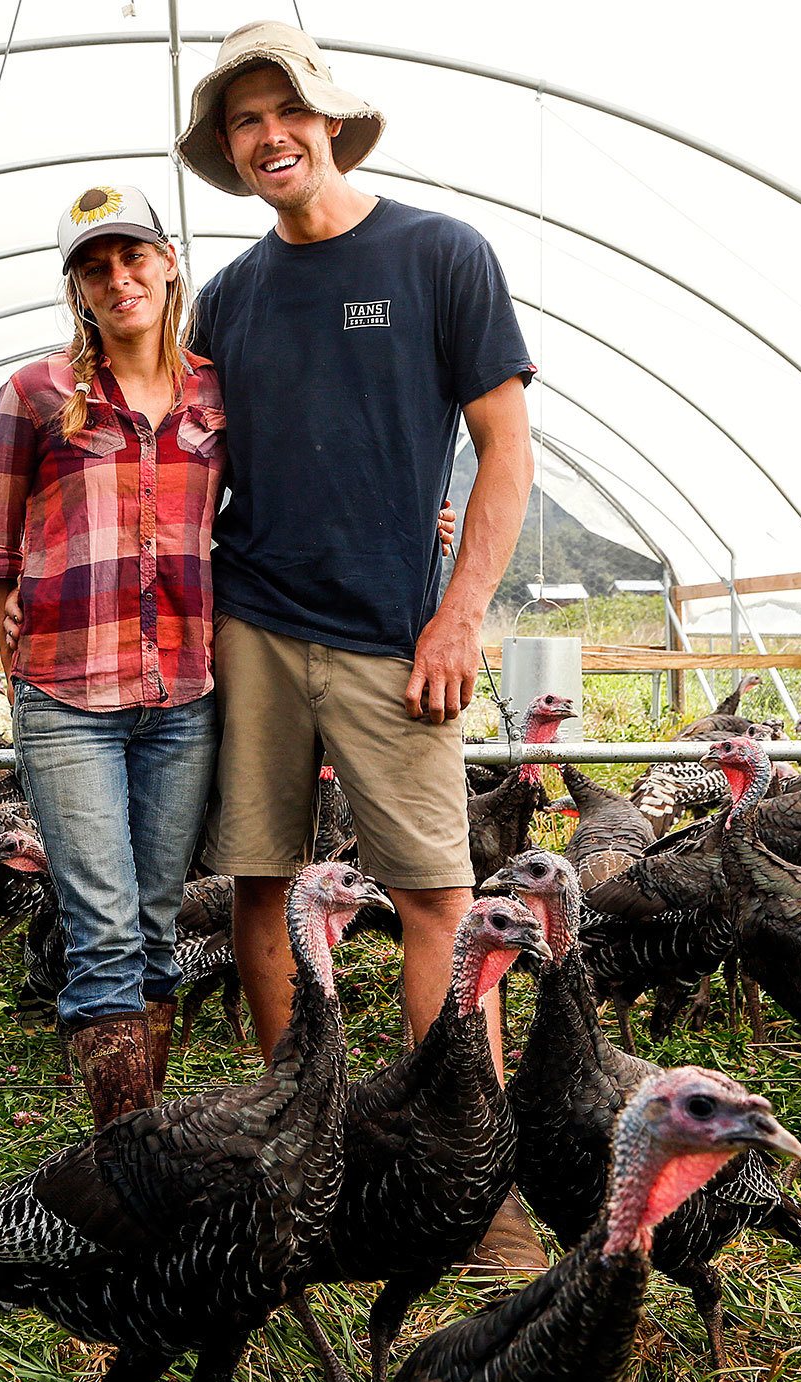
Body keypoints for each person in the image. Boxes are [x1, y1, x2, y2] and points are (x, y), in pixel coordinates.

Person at [176, 21, 542, 1266]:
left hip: (396, 640)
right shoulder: (226, 298)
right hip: (255, 629)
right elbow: (182, 464)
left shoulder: (439, 255)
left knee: (437, 895)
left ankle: (469, 1190)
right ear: (227, 153)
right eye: (242, 122)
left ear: (328, 122)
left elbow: (506, 452)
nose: (269, 136)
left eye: (286, 112)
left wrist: (457, 611)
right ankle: (300, 1166)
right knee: (259, 885)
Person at [0, 184, 221, 1126]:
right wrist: (16, 645)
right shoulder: (37, 393)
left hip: (183, 692)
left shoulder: (213, 393)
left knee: (160, 925)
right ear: (77, 287)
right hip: (68, 694)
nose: (119, 278)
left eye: (133, 258)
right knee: (105, 932)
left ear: (166, 264)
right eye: (95, 266)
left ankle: (144, 1135)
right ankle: (122, 1159)